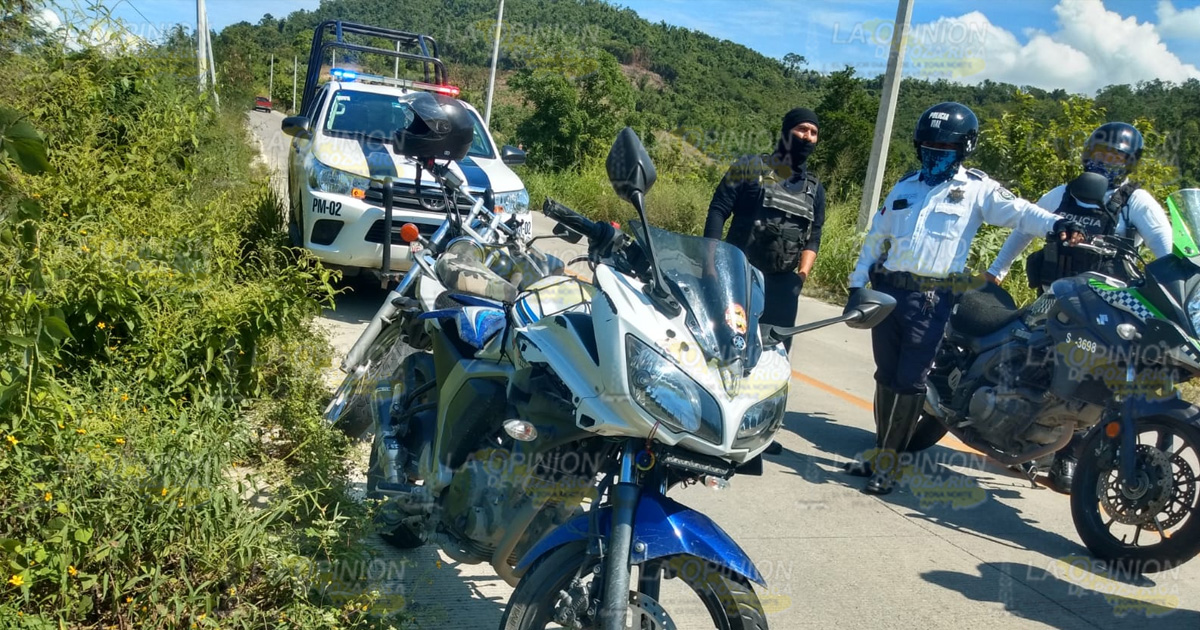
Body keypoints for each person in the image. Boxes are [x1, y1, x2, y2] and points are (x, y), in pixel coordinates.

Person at [842, 102, 1085, 495]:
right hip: (888, 292)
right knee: (885, 375)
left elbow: (1022, 213)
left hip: (931, 300)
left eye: (945, 148)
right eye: (927, 147)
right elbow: (875, 238)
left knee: (909, 381)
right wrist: (857, 286)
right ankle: (878, 451)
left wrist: (1057, 224)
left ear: (964, 149)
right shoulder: (904, 187)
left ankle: (889, 464)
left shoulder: (976, 190)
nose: (934, 154)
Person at [982, 121, 1173, 493]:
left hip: (1109, 306)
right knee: (1026, 357)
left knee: (1098, 378)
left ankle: (1072, 456)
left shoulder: (1136, 200)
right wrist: (995, 272)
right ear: (1087, 154)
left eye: (1114, 157)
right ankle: (1017, 428)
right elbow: (1024, 229)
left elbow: (1165, 251)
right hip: (1057, 296)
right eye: (1099, 155)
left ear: (1129, 162)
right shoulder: (1063, 193)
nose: (1104, 163)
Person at [704, 107, 826, 354]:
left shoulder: (814, 190)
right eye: (802, 129)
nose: (807, 137)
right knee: (725, 351)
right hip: (738, 277)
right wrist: (710, 263)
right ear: (786, 132)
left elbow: (814, 236)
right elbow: (718, 210)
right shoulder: (750, 167)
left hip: (782, 290)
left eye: (813, 132)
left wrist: (800, 277)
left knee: (773, 360)